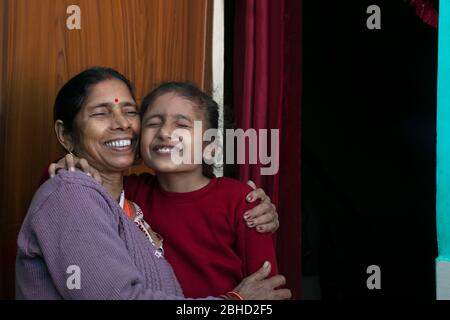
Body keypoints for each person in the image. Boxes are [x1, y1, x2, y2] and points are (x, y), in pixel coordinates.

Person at [16, 67, 290, 300]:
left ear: (212, 146)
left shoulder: (242, 202)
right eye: (153, 122)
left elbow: (267, 290)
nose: (165, 133)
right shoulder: (96, 191)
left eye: (129, 111)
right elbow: (63, 199)